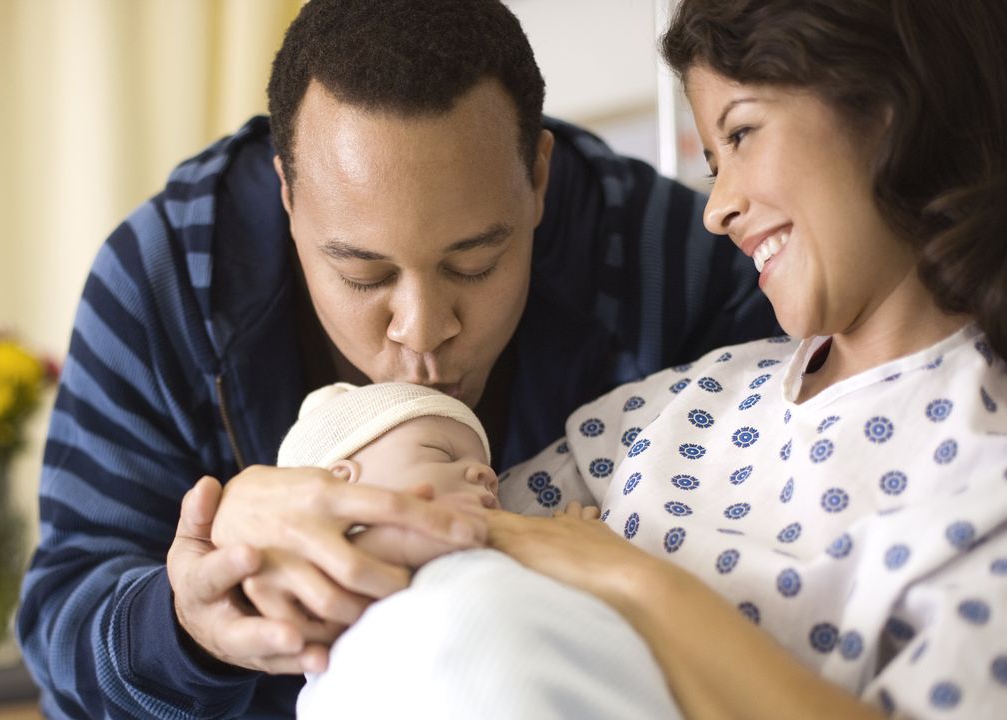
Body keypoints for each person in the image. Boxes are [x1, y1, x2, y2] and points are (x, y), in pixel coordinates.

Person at [15, 0, 778, 717]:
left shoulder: (667, 259)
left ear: (538, 178)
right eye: (363, 276)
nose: (422, 330)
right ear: (287, 193)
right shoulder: (166, 279)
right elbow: (60, 628)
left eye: (474, 264)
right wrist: (186, 625)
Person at [300, 1, 1007, 718]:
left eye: (741, 132)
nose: (717, 208)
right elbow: (399, 550)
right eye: (711, 159)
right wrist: (271, 510)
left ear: (890, 105)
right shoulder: (665, 412)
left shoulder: (986, 474)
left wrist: (633, 582)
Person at [275, 381, 682, 719]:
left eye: (491, 478)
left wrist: (576, 549)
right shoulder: (327, 573)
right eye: (441, 453)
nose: (486, 475)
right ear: (343, 482)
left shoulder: (504, 550)